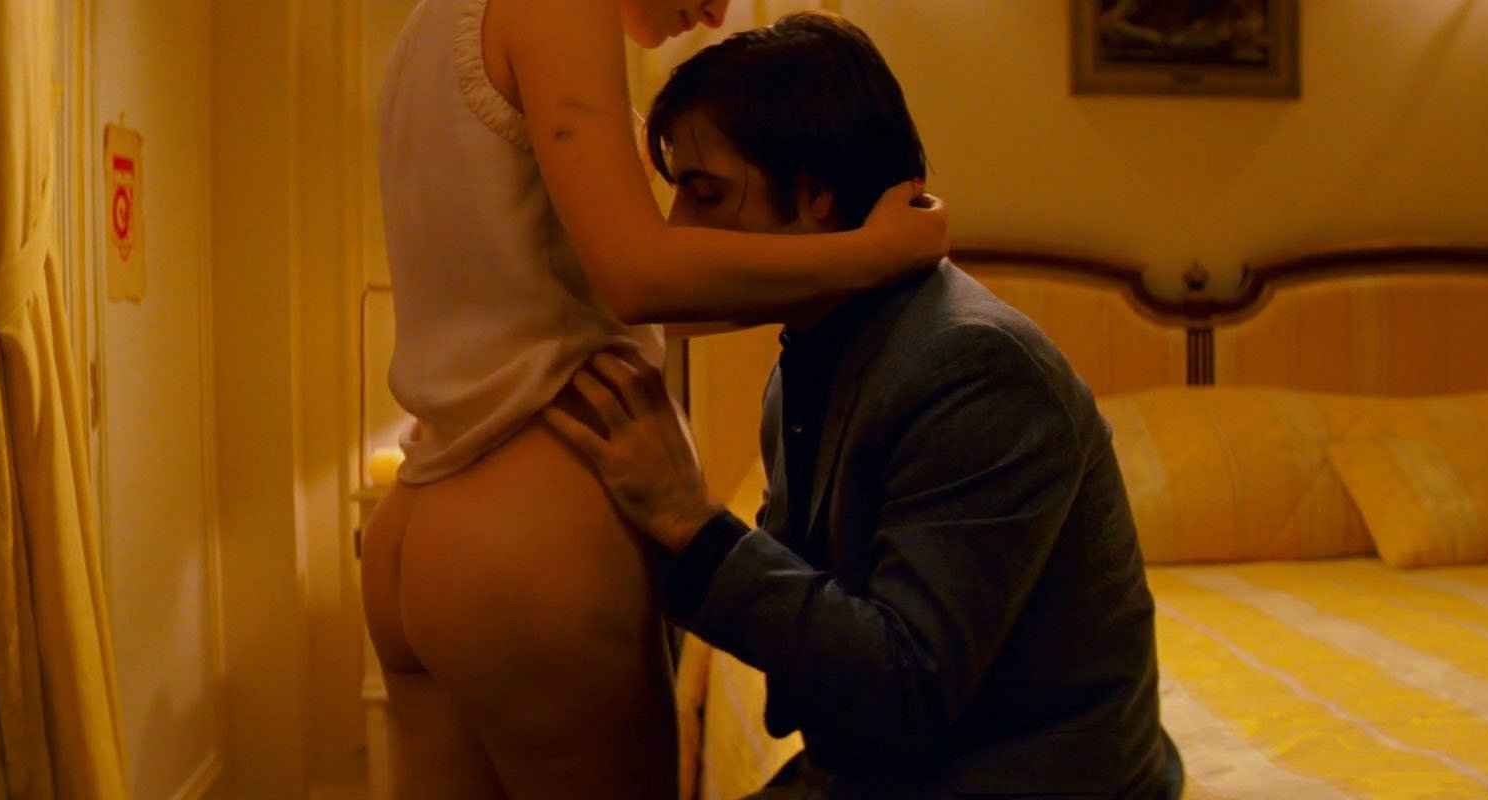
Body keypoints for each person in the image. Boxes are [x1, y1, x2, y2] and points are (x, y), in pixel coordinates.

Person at [544, 13, 1184, 799]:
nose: (678, 232)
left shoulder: (974, 366)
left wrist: (691, 520)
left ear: (816, 195)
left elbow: (906, 686)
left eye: (706, 194)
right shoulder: (817, 353)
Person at [362, 0, 948, 797]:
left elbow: (639, 293)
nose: (717, 9)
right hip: (533, 530)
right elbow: (638, 279)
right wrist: (874, 252)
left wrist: (831, 277)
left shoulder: (433, 26)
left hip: (422, 521)